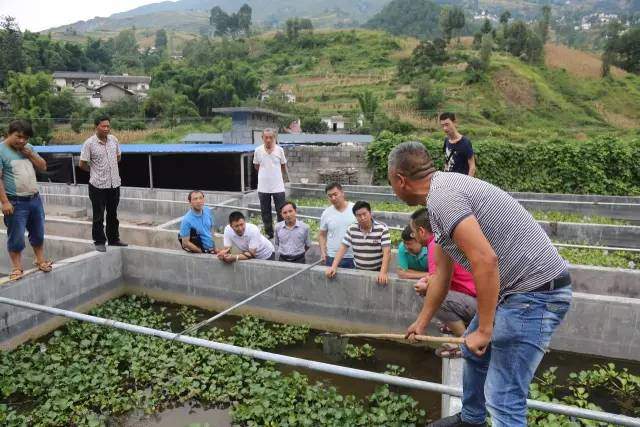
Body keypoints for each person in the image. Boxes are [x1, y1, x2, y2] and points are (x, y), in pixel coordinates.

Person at [388, 141, 572, 427]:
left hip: (535, 294)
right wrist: (421, 322)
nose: (393, 189)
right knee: (472, 353)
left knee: (504, 397)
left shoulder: (443, 199)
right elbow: (442, 277)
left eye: (391, 183)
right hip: (516, 293)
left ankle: (481, 415)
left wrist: (485, 330)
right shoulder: (439, 200)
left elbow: (486, 260)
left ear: (400, 180)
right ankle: (472, 419)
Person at [411, 208, 477, 357]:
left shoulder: (435, 244)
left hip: (477, 302)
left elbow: (437, 285)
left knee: (433, 295)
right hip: (476, 299)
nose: (413, 236)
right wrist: (428, 280)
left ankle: (465, 341)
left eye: (413, 232)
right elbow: (440, 275)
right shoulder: (443, 239)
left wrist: (426, 286)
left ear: (421, 231)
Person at [0, 120, 52, 280]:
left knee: (38, 232)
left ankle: (40, 260)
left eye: (26, 138)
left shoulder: (28, 149)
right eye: (18, 136)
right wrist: (5, 202)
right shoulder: (1, 151)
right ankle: (17, 268)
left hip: (34, 199)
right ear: (9, 133)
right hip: (15, 202)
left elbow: (43, 166)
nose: (22, 141)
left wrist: (29, 153)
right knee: (16, 235)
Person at [79, 115, 127, 252]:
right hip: (98, 186)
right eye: (103, 126)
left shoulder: (114, 140)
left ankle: (114, 239)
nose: (106, 129)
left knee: (113, 214)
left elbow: (118, 157)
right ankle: (99, 241)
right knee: (98, 215)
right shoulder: (89, 143)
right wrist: (95, 171)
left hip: (114, 184)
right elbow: (82, 164)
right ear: (96, 127)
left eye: (108, 126)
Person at [326, 201, 391, 286]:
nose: (362, 218)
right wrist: (333, 267)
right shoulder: (352, 228)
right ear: (355, 216)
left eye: (364, 214)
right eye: (359, 216)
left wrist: (383, 272)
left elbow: (387, 252)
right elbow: (342, 248)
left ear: (370, 213)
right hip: (358, 269)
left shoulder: (382, 228)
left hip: (377, 270)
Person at [253, 128, 288, 239]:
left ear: (274, 138)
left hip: (278, 187)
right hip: (263, 187)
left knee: (281, 211)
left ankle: (281, 233)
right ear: (262, 138)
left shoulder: (279, 150)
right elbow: (256, 166)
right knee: (265, 211)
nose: (268, 140)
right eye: (266, 137)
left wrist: (277, 177)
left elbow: (283, 166)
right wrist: (266, 175)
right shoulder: (258, 150)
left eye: (270, 137)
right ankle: (269, 233)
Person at [318, 183, 355, 269]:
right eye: (330, 196)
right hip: (332, 256)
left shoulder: (354, 209)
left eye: (335, 194)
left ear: (342, 193)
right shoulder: (326, 213)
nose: (333, 198)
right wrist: (323, 252)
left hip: (353, 256)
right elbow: (322, 235)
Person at [440, 112, 476, 177]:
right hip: (448, 181)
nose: (444, 128)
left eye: (447, 124)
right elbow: (447, 160)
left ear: (454, 123)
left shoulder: (465, 142)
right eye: (442, 126)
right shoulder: (446, 140)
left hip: (461, 182)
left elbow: (472, 167)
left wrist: (467, 184)